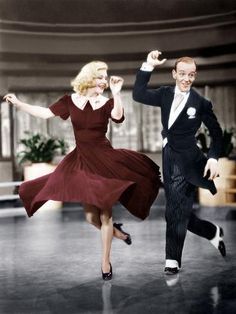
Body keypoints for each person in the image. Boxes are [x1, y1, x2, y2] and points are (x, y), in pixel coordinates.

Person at [4, 61, 161, 280]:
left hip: (105, 160)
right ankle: (118, 233)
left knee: (105, 213)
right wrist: (19, 104)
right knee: (90, 217)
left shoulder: (106, 102)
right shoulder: (70, 101)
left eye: (106, 78)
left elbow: (117, 117)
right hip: (82, 161)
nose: (104, 81)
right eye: (101, 77)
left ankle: (105, 264)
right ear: (89, 77)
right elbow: (44, 113)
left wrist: (117, 93)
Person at [133, 50, 226, 275]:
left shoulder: (201, 103)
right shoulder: (164, 94)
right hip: (169, 157)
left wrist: (213, 158)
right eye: (182, 74)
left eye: (191, 75)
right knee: (178, 211)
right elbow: (138, 94)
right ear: (174, 74)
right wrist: (148, 65)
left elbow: (217, 134)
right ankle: (212, 231)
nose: (186, 79)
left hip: (191, 161)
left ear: (194, 76)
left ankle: (172, 260)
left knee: (174, 210)